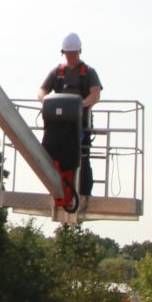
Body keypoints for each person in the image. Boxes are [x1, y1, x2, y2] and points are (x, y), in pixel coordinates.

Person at [39, 33, 102, 210]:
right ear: (63, 52)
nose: (71, 55)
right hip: (57, 127)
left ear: (79, 51)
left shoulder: (88, 72)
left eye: (73, 52)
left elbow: (95, 93)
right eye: (68, 53)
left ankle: (83, 192)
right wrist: (46, 102)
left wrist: (80, 105)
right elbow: (42, 90)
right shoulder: (57, 72)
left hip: (80, 125)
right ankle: (57, 189)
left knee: (81, 157)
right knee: (52, 155)